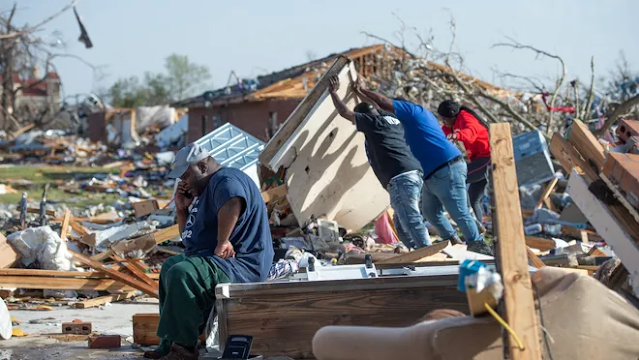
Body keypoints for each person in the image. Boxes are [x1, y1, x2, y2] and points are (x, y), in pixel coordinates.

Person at [145, 143, 274, 360]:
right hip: (217, 261)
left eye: (186, 175)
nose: (182, 182)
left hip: (241, 264)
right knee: (170, 267)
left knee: (183, 274)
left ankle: (183, 350)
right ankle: (169, 344)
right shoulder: (202, 192)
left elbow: (233, 202)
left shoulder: (225, 180)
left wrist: (223, 241)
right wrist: (181, 209)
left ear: (203, 167)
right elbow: (189, 241)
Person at [353, 79, 492, 255]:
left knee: (457, 209)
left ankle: (478, 244)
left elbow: (382, 103)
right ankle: (452, 240)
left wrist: (365, 89)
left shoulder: (413, 111)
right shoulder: (404, 122)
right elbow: (376, 109)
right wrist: (359, 94)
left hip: (446, 167)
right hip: (431, 174)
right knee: (430, 212)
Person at [327, 75, 431, 249]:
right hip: (412, 173)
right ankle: (415, 250)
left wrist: (333, 93)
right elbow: (374, 106)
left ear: (364, 117)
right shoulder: (390, 119)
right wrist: (360, 91)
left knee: (410, 218)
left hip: (400, 176)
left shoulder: (373, 123)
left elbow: (345, 113)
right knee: (400, 221)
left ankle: (426, 250)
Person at [437, 100, 491, 233]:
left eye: (444, 119)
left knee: (459, 178)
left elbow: (472, 132)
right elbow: (440, 135)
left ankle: (470, 217)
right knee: (474, 199)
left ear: (452, 116)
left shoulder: (466, 117)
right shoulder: (451, 124)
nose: (443, 121)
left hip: (488, 157)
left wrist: (457, 135)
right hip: (478, 159)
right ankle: (479, 232)